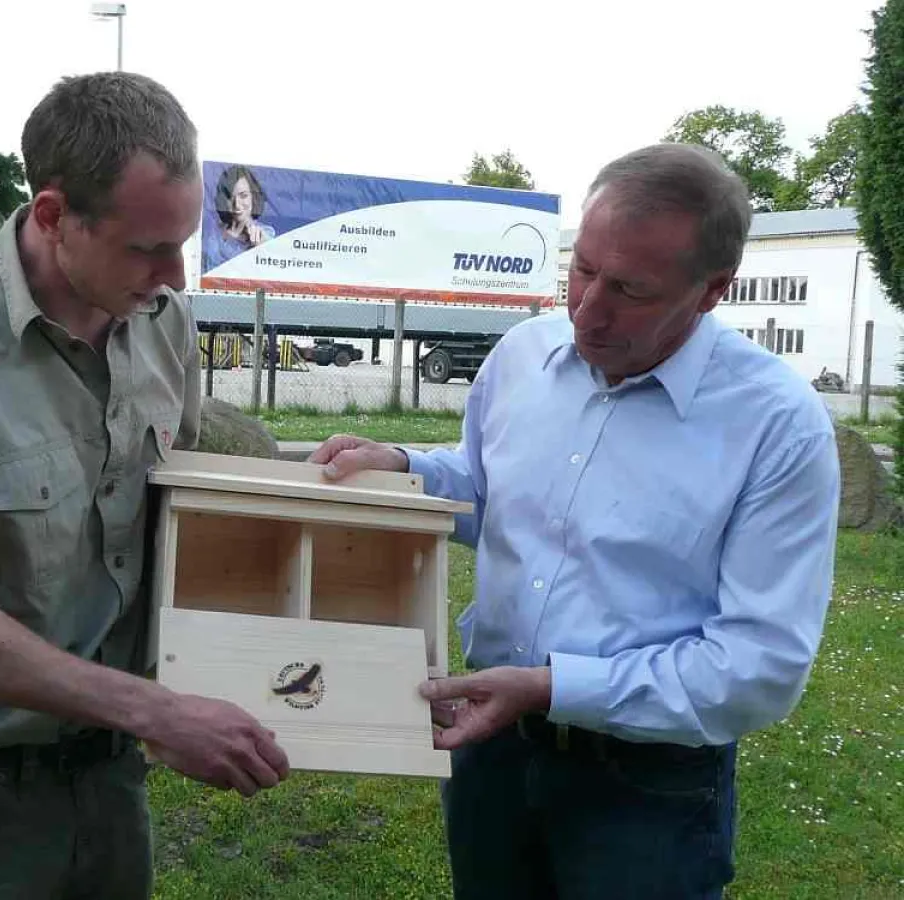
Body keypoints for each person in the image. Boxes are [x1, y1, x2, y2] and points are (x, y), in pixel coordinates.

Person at [309, 143, 841, 900]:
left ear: (713, 289)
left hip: (646, 789)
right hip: (489, 756)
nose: (588, 310)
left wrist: (553, 687)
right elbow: (495, 492)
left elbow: (758, 669)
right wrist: (408, 467)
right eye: (584, 269)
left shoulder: (777, 426)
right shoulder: (525, 354)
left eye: (630, 288)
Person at [0, 72, 289, 900]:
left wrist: (321, 495)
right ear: (52, 216)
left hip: (108, 785)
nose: (177, 277)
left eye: (183, 242)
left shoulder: (166, 324)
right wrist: (153, 712)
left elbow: (179, 520)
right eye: (148, 248)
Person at [202, 163, 276, 270]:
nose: (237, 204)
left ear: (253, 197)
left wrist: (261, 248)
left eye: (243, 196)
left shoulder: (265, 234)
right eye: (230, 197)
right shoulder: (211, 230)